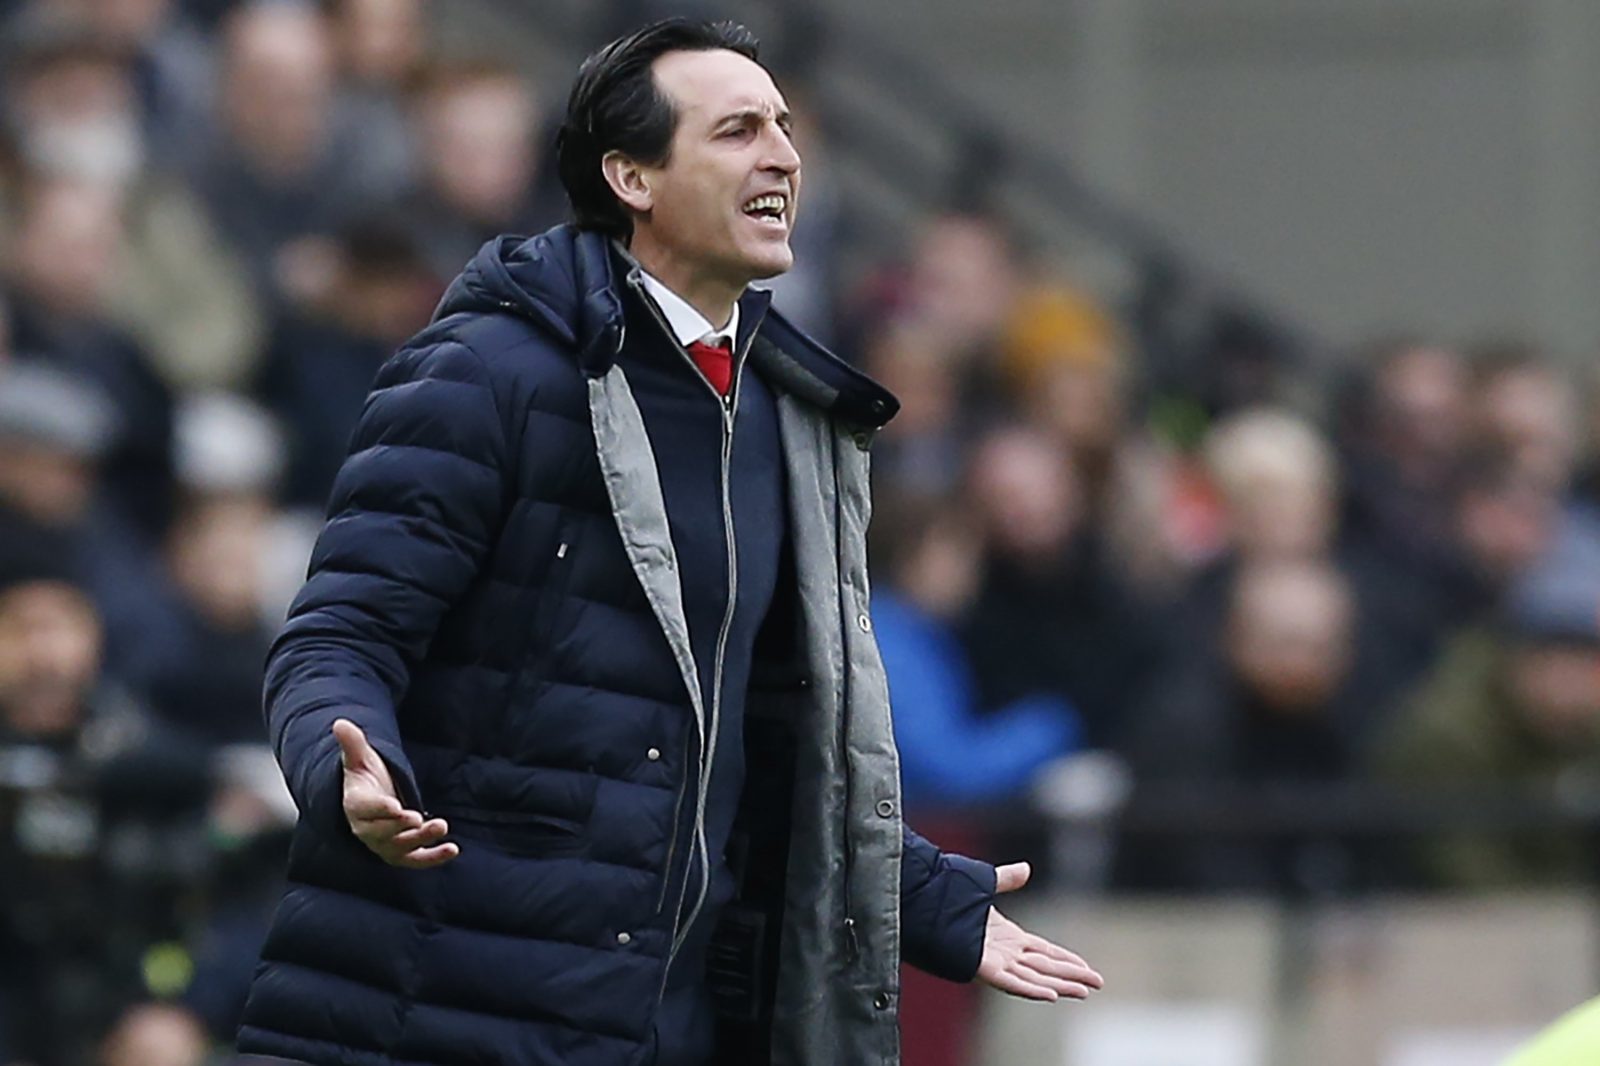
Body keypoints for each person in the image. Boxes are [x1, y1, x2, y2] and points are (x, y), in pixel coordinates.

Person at [235, 18, 1102, 1066]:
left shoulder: (793, 418)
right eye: (737, 131)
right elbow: (336, 638)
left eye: (783, 127)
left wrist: (920, 895)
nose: (782, 156)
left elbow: (763, 745)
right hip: (434, 1015)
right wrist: (347, 773)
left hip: (660, 1025)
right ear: (631, 177)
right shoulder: (483, 373)